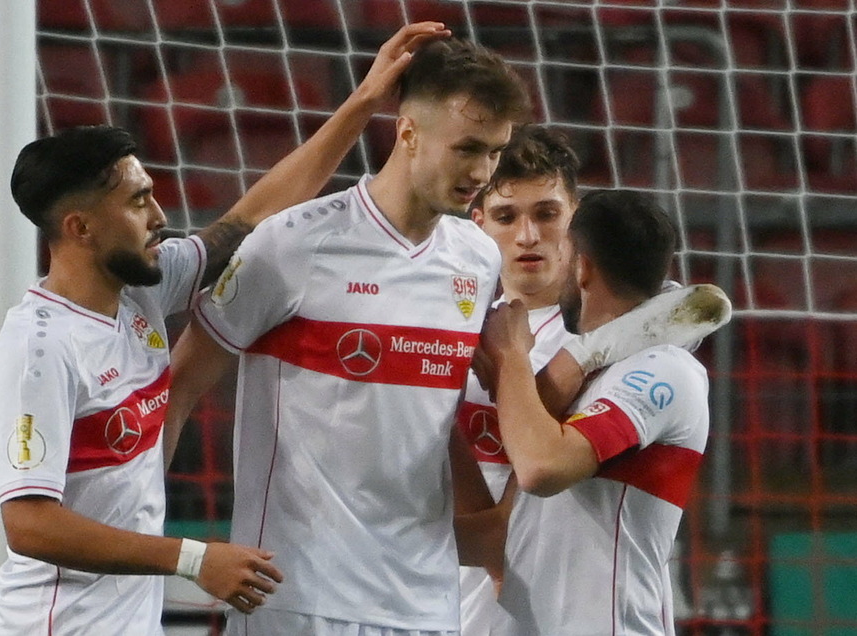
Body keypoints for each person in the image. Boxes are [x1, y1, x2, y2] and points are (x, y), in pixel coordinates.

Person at [0, 22, 451, 636]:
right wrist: (194, 558)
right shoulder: (38, 349)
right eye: (136, 201)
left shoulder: (142, 293)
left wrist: (363, 102)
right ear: (80, 228)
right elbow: (30, 526)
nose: (159, 215)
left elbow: (253, 214)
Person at [166, 37, 531, 635]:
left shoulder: (477, 258)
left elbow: (435, 421)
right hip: (298, 597)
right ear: (407, 132)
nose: (481, 173)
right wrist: (137, 530)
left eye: (494, 152)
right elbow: (180, 384)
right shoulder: (294, 243)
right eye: (466, 148)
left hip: (426, 604)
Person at [480, 189, 716, 635]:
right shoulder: (587, 370)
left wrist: (510, 354)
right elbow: (494, 525)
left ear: (582, 266)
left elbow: (541, 467)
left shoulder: (665, 369)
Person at [454, 124, 580, 634]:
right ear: (479, 221)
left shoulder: (600, 336)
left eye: (547, 213)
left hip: (548, 602)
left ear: (576, 217)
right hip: (437, 589)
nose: (528, 236)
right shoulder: (444, 320)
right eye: (507, 216)